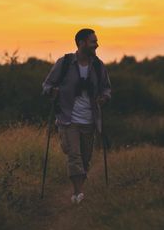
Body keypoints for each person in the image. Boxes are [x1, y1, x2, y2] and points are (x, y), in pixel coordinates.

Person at [42, 28, 112, 204]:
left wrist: (104, 97)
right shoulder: (64, 63)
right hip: (68, 119)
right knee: (74, 156)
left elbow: (106, 88)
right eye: (93, 41)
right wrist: (53, 91)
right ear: (82, 43)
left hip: (90, 120)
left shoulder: (98, 65)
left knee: (85, 158)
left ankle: (77, 192)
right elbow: (46, 85)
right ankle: (78, 193)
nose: (97, 44)